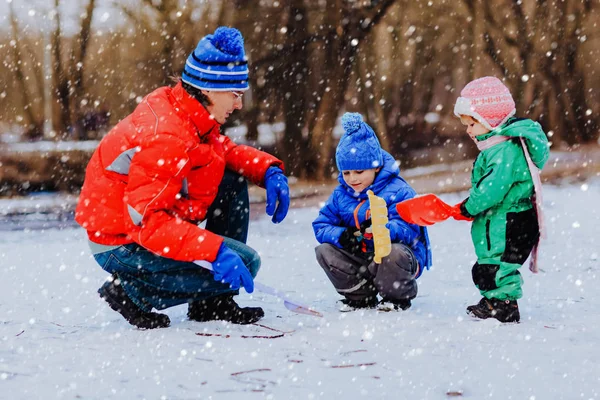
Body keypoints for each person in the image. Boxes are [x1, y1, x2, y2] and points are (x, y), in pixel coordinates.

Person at [75, 27, 290, 329]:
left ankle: (211, 304)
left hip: (139, 222)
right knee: (247, 263)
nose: (239, 104)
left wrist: (267, 169)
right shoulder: (167, 136)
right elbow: (147, 222)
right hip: (120, 243)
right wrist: (214, 252)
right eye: (235, 94)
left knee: (231, 180)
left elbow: (219, 151)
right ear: (208, 90)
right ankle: (131, 292)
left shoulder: (187, 110)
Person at [451, 76, 549, 322]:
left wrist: (469, 207)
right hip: (502, 220)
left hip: (508, 222)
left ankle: (504, 305)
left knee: (496, 267)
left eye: (471, 123)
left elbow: (491, 190)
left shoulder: (504, 150)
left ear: (489, 120)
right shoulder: (498, 145)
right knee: (491, 265)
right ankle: (495, 301)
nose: (468, 130)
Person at [312, 113, 431, 311]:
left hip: (395, 256)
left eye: (359, 172)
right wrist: (343, 236)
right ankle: (360, 295)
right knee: (324, 250)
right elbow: (321, 224)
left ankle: (396, 296)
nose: (352, 179)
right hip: (361, 255)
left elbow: (410, 227)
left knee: (391, 254)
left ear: (376, 168)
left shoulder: (398, 191)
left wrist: (384, 229)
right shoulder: (341, 194)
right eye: (346, 173)